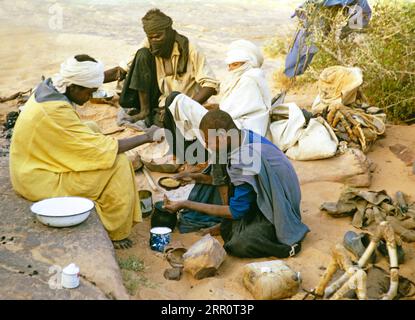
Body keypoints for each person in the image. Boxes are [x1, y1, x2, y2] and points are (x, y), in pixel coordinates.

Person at [10, 55, 163, 249]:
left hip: (27, 165)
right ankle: (116, 232)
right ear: (73, 87)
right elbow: (108, 149)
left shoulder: (50, 87)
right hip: (36, 180)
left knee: (91, 127)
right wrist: (147, 136)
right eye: (89, 92)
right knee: (119, 163)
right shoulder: (55, 110)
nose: (90, 97)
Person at [163, 110, 309, 258]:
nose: (206, 145)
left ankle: (286, 249)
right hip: (265, 194)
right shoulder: (242, 136)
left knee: (240, 243)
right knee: (218, 162)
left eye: (208, 140)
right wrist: (193, 177)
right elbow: (223, 178)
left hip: (281, 207)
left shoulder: (243, 159)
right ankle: (228, 221)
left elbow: (236, 212)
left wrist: (186, 204)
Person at [106, 8, 220, 128]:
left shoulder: (191, 48)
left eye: (158, 36)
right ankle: (145, 111)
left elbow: (210, 85)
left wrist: (184, 108)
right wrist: (89, 81)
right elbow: (120, 70)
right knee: (142, 54)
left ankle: (159, 116)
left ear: (169, 31)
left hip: (183, 103)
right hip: (160, 98)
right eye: (151, 37)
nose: (154, 41)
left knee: (170, 122)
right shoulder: (148, 43)